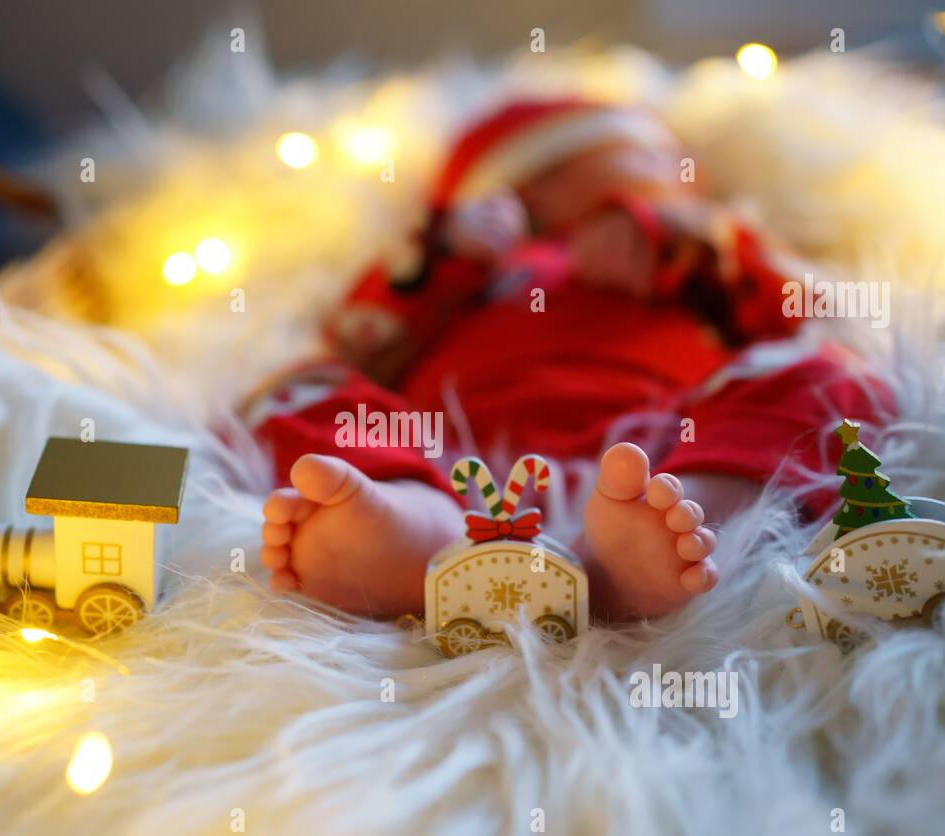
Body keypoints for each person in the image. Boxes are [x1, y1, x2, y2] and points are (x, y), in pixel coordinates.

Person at [248, 97, 889, 620]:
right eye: (639, 159)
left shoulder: (701, 250)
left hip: (663, 446)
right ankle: (415, 527)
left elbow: (792, 310)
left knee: (829, 372)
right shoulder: (471, 268)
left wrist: (674, 239)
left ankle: (673, 518)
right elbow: (360, 339)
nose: (664, 175)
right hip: (445, 457)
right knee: (302, 383)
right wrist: (444, 253)